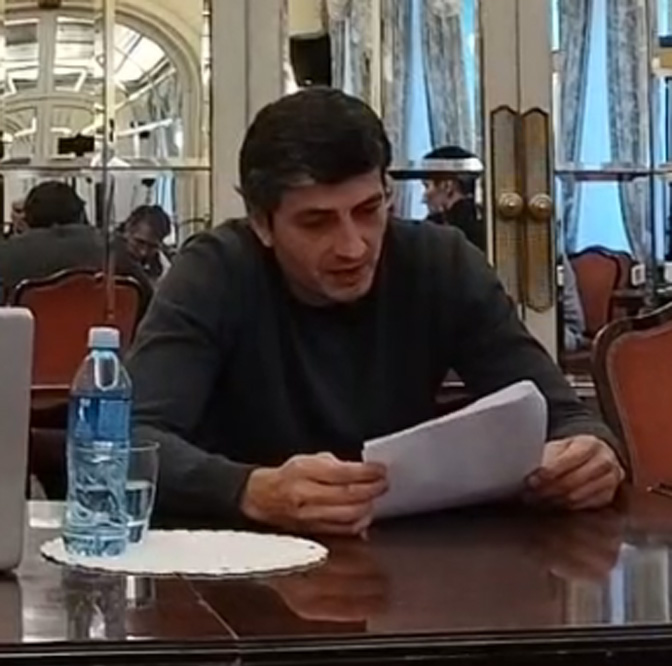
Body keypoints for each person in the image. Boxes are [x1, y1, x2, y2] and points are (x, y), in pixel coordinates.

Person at [127, 88, 624, 536]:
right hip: (241, 567)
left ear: (388, 191)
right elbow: (126, 441)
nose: (353, 247)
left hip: (409, 563)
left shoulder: (441, 262)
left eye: (369, 211)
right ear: (261, 222)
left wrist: (590, 454)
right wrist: (246, 489)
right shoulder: (214, 270)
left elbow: (567, 416)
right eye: (317, 222)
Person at [0, 181, 152, 312]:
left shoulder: (7, 254)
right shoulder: (114, 250)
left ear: (28, 220)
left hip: (29, 337)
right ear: (80, 215)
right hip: (106, 336)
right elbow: (149, 304)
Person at [422, 145, 486, 251]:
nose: (424, 197)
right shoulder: (487, 226)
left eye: (427, 186)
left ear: (447, 186)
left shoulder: (436, 233)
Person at [118, 205, 172, 282]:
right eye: (139, 242)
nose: (143, 252)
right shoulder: (106, 256)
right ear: (127, 230)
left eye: (152, 247)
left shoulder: (165, 269)